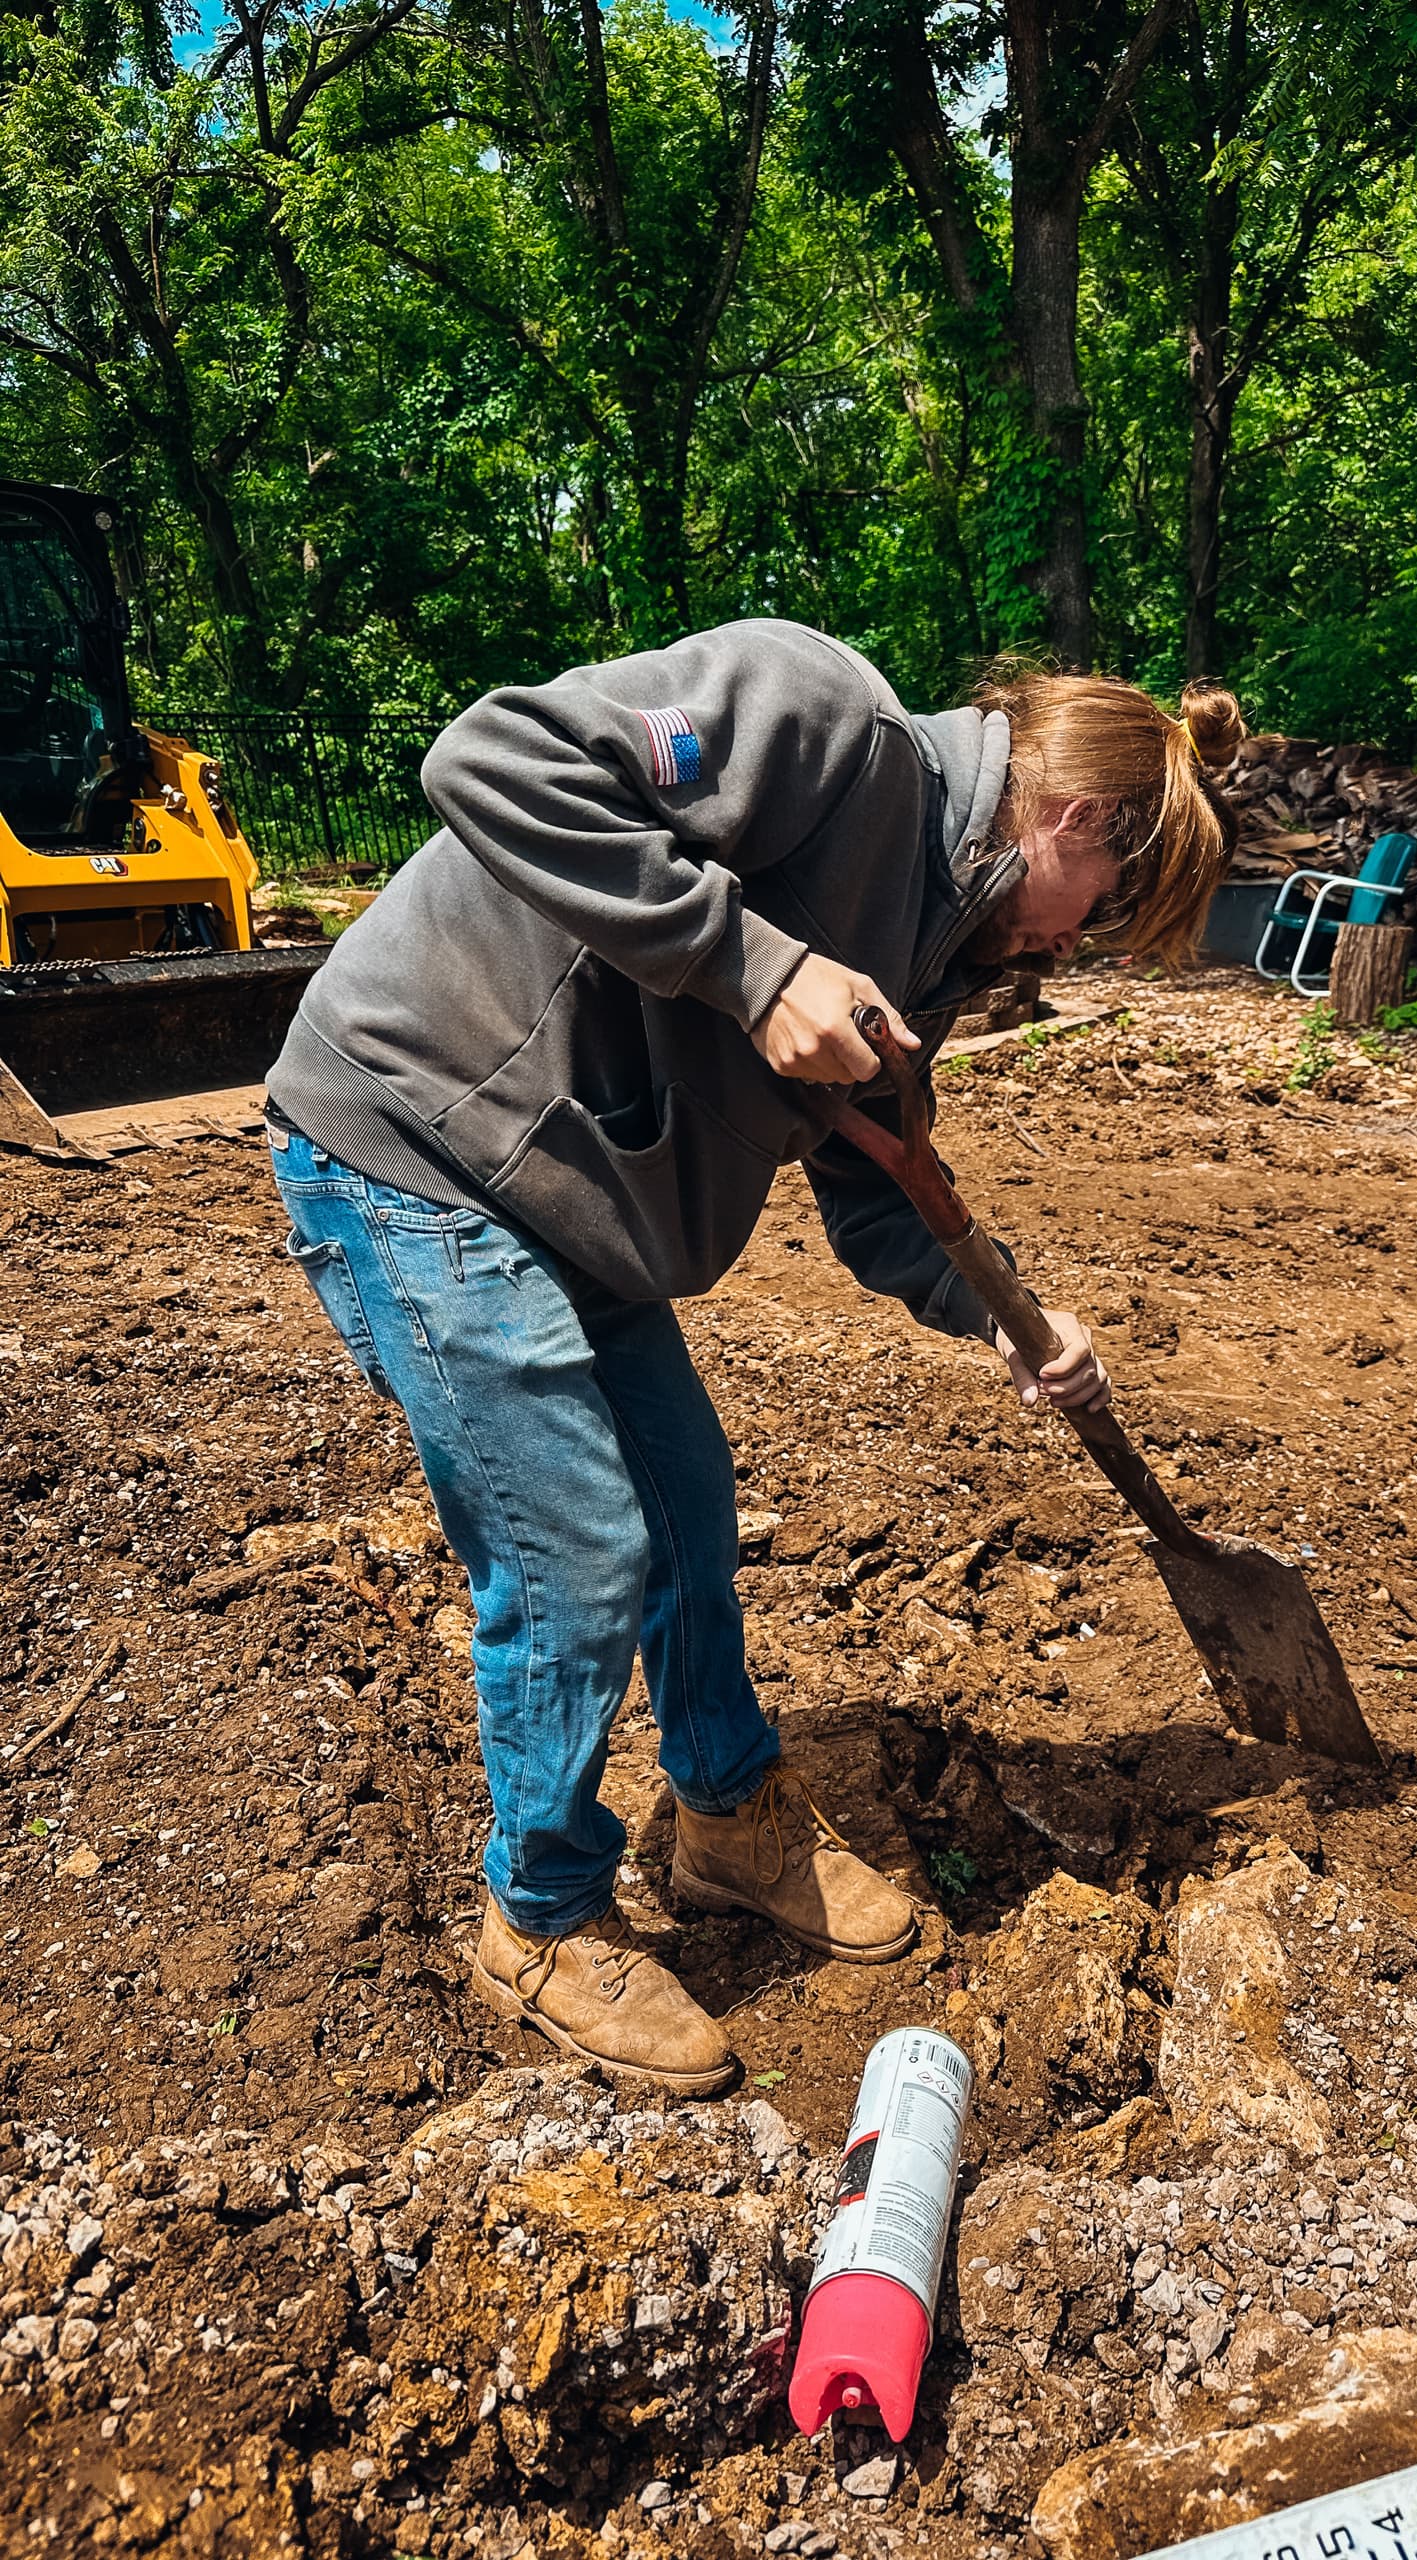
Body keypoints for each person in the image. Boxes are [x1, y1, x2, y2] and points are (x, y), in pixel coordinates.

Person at [265, 621, 1243, 2093]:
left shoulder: (946, 938)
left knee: (690, 1517)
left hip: (574, 1206)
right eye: (1098, 907)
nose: (1074, 941)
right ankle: (537, 1916)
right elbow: (490, 755)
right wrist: (749, 957)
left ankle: (727, 1816)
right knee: (577, 1550)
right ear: (1070, 820)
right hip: (416, 1140)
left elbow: (875, 1181)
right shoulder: (820, 718)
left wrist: (1009, 1318)